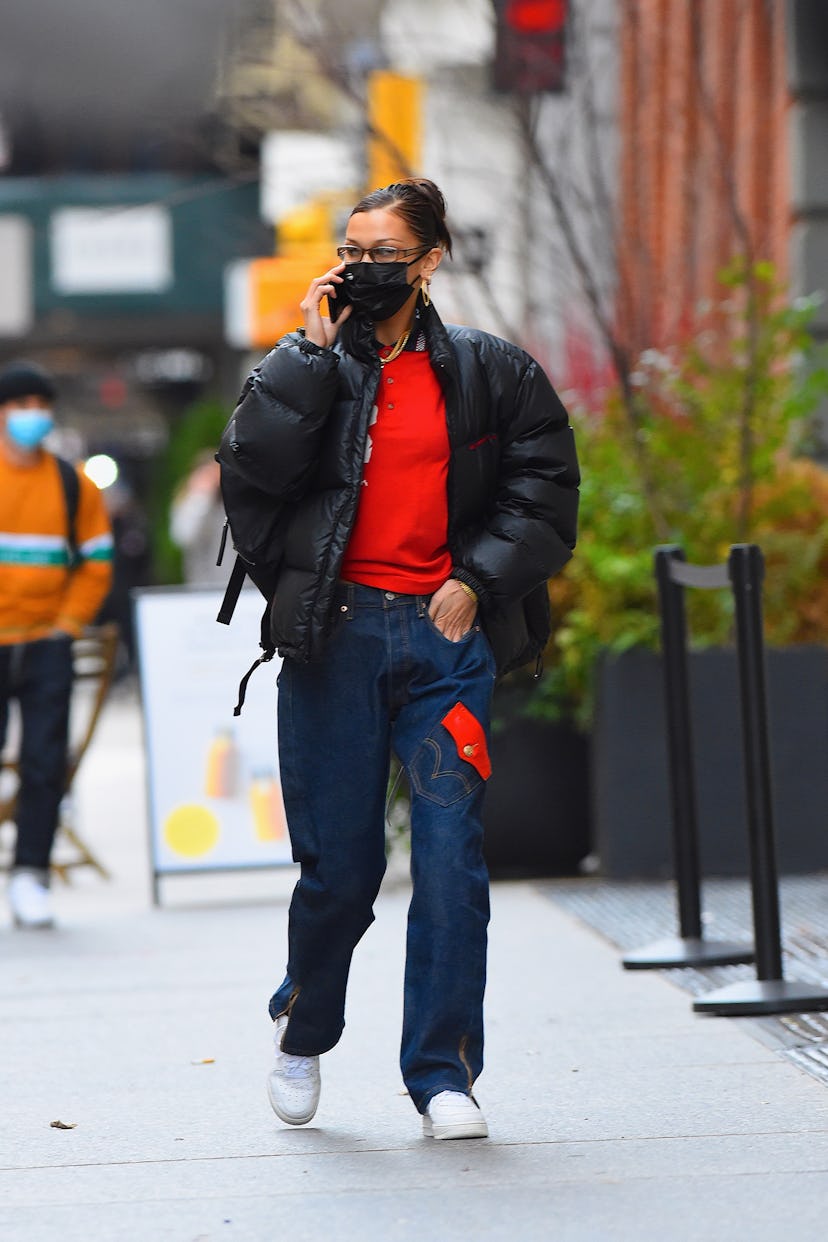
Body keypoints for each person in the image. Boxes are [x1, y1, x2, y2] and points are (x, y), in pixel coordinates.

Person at [218, 178, 579, 1139]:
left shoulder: (491, 372)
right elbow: (250, 472)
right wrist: (308, 354)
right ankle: (306, 1029)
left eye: (384, 253)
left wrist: (476, 580)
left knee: (454, 857)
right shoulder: (309, 364)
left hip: (442, 641)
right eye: (352, 249)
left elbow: (545, 492)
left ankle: (443, 1075)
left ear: (428, 262)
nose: (362, 268)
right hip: (334, 642)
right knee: (339, 869)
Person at [0, 361, 114, 927]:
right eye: (18, 405)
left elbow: (96, 562)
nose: (30, 416)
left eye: (38, 405)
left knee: (46, 764)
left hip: (47, 641)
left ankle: (30, 876)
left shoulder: (73, 484)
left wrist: (68, 622)